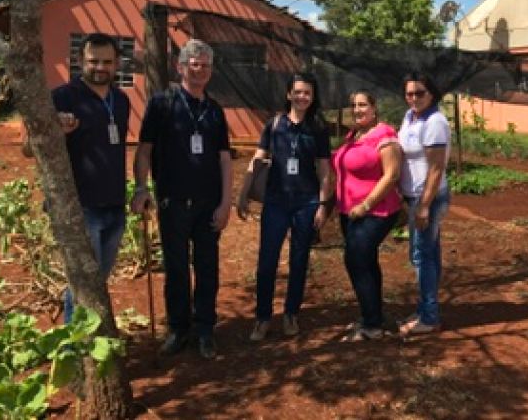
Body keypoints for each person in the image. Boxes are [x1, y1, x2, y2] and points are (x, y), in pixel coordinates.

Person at [131, 39, 232, 359]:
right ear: (181, 67)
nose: (199, 70)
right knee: (176, 269)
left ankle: (205, 329)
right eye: (194, 64)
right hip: (172, 203)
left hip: (208, 205)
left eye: (205, 66)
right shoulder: (162, 104)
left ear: (211, 70)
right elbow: (144, 151)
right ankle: (178, 329)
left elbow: (224, 159)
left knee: (207, 268)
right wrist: (141, 188)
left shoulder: (214, 110)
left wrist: (225, 203)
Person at [22, 32, 131, 325]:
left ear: (117, 63)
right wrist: (54, 131)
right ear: (79, 61)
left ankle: (91, 340)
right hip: (79, 208)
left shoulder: (121, 100)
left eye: (107, 62)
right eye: (93, 61)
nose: (100, 67)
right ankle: (74, 345)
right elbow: (27, 148)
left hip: (114, 205)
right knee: (83, 285)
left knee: (98, 282)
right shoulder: (60, 98)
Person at [236, 72, 332, 341]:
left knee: (299, 261)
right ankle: (262, 318)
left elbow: (324, 170)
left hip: (306, 202)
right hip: (276, 202)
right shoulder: (275, 124)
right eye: (298, 92)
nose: (302, 97)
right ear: (289, 94)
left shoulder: (318, 128)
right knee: (267, 261)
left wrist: (322, 205)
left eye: (307, 93)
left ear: (313, 97)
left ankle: (291, 314)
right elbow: (258, 158)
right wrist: (243, 193)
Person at [332, 90, 402, 342]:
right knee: (367, 261)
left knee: (356, 260)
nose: (357, 110)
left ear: (374, 107)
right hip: (350, 212)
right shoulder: (354, 135)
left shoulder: (385, 135)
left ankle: (372, 324)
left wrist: (366, 204)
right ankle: (373, 315)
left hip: (375, 211)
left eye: (362, 105)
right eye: (353, 105)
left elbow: (391, 175)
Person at [398, 72, 451, 336]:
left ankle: (429, 317)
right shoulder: (410, 117)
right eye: (409, 94)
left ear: (431, 94)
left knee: (422, 256)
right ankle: (425, 309)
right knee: (428, 253)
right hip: (415, 196)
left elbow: (436, 168)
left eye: (419, 93)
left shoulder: (435, 122)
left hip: (428, 197)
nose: (414, 98)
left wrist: (424, 206)